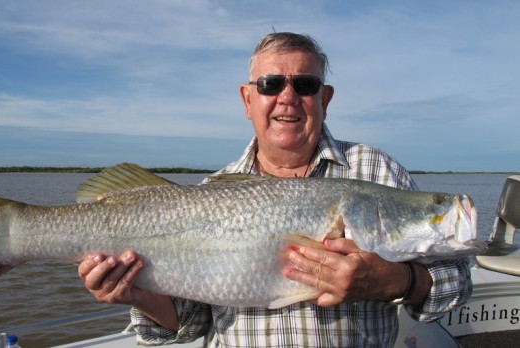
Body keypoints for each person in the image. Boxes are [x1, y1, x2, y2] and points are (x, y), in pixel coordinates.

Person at [77, 32, 472, 347]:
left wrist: (397, 282)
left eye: (304, 83)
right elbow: (190, 324)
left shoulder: (376, 170)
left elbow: (457, 284)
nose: (287, 97)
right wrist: (135, 294)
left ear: (324, 98)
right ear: (247, 99)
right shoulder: (210, 192)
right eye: (269, 84)